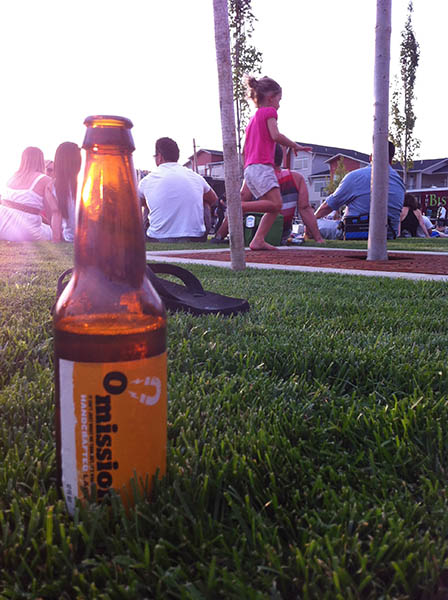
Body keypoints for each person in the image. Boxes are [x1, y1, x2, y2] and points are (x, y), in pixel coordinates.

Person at [240, 75, 312, 250]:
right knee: (277, 204)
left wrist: (248, 167)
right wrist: (294, 145)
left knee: (272, 208)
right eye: (279, 100)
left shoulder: (253, 119)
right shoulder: (269, 112)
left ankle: (258, 240)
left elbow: (243, 150)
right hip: (261, 166)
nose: (279, 105)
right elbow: (276, 135)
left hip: (250, 168)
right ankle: (238, 207)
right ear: (271, 97)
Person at [314, 141, 405, 238]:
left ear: (370, 157)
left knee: (313, 222)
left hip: (355, 232)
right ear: (391, 159)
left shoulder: (356, 176)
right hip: (389, 234)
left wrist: (312, 218)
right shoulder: (399, 182)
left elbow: (328, 206)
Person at [138, 137, 218, 242]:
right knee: (205, 201)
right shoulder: (196, 177)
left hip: (157, 238)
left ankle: (157, 229)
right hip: (195, 238)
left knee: (144, 203)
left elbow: (134, 207)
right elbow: (214, 200)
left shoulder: (147, 181)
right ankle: (196, 229)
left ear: (160, 157)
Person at [0, 147, 58, 241]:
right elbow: (51, 212)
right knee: (50, 231)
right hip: (23, 231)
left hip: (2, 226)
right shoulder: (45, 180)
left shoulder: (13, 176)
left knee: (43, 226)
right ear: (40, 160)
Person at [44, 142, 81, 242]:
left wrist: (56, 241)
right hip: (89, 238)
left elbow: (56, 215)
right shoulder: (87, 183)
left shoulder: (51, 186)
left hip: (69, 237)